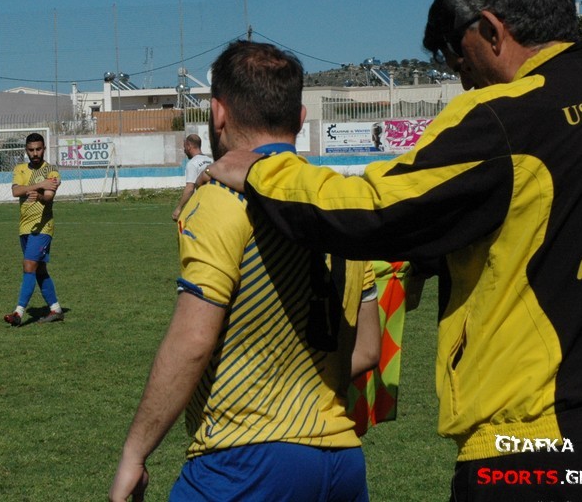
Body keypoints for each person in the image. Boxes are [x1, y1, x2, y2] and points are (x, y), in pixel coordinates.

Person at [206, 0, 582, 500]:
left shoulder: (505, 117)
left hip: (534, 449)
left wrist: (259, 171)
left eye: (460, 59)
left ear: (491, 30)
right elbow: (559, 231)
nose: (463, 80)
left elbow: (371, 210)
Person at [110, 41, 380, 502]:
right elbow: (369, 350)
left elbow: (194, 340)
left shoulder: (221, 197)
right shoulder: (339, 203)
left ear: (217, 113)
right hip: (342, 464)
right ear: (300, 118)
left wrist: (135, 453)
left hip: (244, 462)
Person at [3, 132, 65, 326]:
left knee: (29, 265)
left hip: (43, 227)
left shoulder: (51, 171)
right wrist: (39, 185)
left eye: (38, 149)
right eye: (31, 150)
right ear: (26, 150)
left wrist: (39, 195)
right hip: (24, 227)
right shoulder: (20, 169)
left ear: (44, 149)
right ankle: (56, 309)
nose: (35, 153)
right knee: (40, 270)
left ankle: (18, 313)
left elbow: (48, 196)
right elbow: (15, 191)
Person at [171, 134, 212, 221]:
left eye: (185, 147)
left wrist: (179, 208)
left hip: (202, 205)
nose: (184, 150)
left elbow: (190, 188)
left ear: (189, 146)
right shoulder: (211, 161)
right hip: (214, 203)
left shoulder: (193, 163)